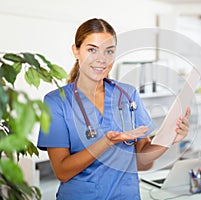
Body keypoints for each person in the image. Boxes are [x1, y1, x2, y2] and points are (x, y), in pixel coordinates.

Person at [37, 18, 191, 200]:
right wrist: (106, 142)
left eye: (109, 51)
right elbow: (62, 171)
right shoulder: (56, 102)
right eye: (92, 49)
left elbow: (143, 163)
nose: (101, 59)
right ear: (76, 51)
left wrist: (169, 138)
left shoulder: (128, 95)